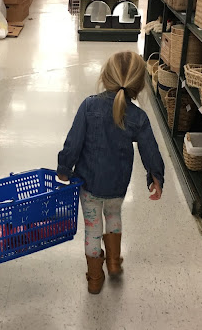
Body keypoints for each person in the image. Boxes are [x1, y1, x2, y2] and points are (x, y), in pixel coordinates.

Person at [57, 52, 164, 295]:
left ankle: (95, 278)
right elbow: (150, 150)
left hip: (89, 185)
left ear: (105, 77)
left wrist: (64, 169)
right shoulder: (139, 117)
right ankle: (114, 261)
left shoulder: (89, 106)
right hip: (118, 185)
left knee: (93, 229)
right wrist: (156, 177)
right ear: (138, 86)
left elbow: (73, 143)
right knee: (114, 215)